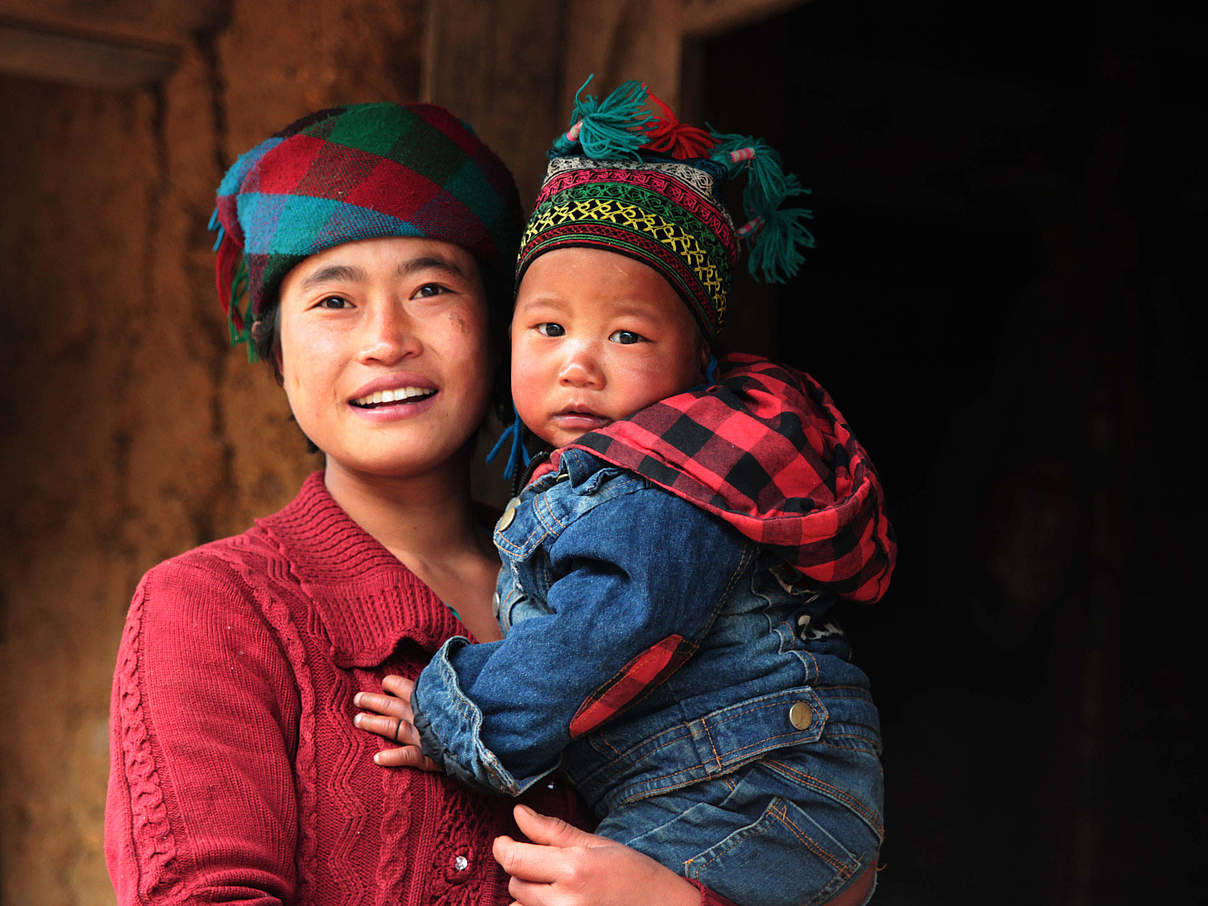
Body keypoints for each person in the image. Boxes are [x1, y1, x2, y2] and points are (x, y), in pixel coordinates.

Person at [104, 101, 740, 906]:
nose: (387, 339)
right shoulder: (212, 609)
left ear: (503, 324)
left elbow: (818, 832)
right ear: (276, 349)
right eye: (334, 301)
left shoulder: (627, 577)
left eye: (431, 287)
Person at [352, 82, 897, 906]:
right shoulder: (600, 478)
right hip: (749, 785)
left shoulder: (668, 489)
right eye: (548, 328)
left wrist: (453, 713)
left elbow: (600, 634)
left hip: (753, 792)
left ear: (695, 365)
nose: (579, 362)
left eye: (627, 335)